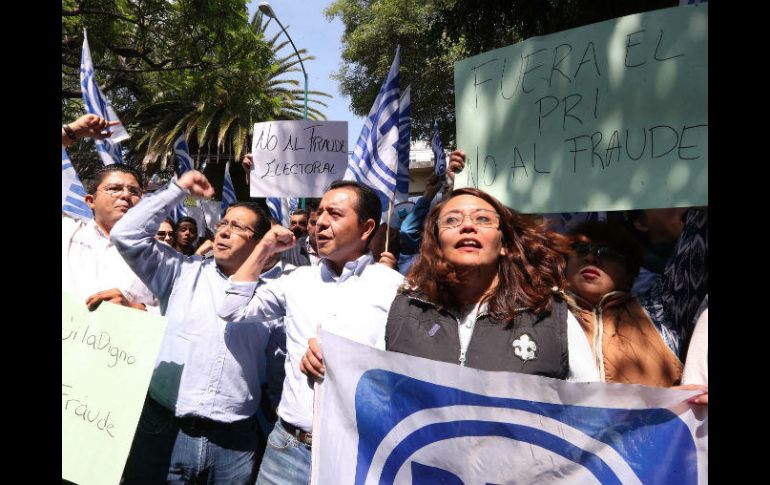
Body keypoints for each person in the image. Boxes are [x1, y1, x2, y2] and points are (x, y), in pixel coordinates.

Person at [216, 180, 404, 485]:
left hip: (357, 453)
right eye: (319, 214)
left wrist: (346, 364)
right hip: (286, 449)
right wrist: (264, 247)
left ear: (367, 227)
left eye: (335, 214)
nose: (320, 223)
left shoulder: (394, 288)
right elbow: (232, 308)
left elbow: (405, 369)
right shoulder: (297, 280)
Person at [112, 170, 291, 484]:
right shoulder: (179, 271)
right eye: (222, 223)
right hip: (167, 430)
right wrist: (177, 189)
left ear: (260, 241)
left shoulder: (272, 296)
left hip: (234, 444)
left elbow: (277, 367)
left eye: (236, 226)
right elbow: (125, 235)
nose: (222, 231)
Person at [381, 187, 598, 378]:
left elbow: (588, 409)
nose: (467, 226)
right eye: (452, 220)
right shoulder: (404, 310)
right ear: (437, 243)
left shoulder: (550, 315)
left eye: (483, 219)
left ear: (504, 244)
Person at [562, 207, 708, 387]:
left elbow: (699, 231)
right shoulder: (545, 317)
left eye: (607, 252)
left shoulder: (661, 310)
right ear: (565, 266)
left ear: (630, 274)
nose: (591, 257)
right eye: (581, 249)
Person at [62, 162, 157, 312]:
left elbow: (177, 310)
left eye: (134, 191)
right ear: (90, 201)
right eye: (114, 189)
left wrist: (134, 307)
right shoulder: (66, 232)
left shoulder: (158, 254)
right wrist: (72, 137)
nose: (126, 195)